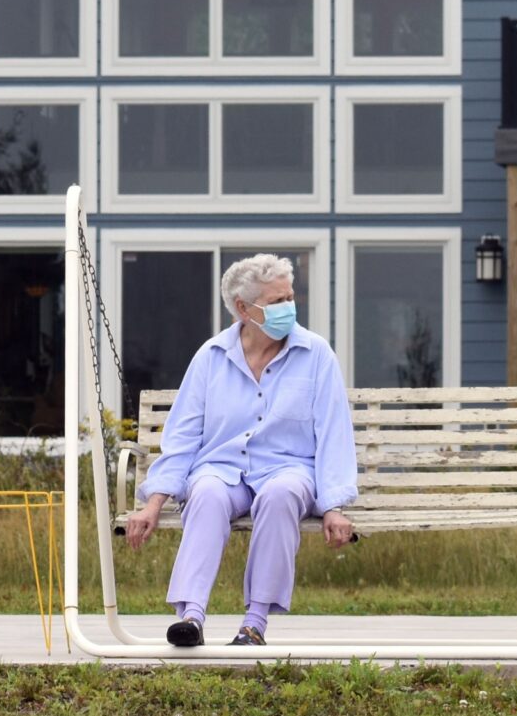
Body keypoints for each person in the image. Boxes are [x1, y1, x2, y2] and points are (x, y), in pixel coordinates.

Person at [123, 253, 358, 647]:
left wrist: (333, 505)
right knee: (208, 492)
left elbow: (334, 433)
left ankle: (254, 623)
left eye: (290, 297)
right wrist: (154, 501)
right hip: (223, 468)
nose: (289, 308)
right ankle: (191, 616)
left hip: (288, 469)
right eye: (277, 301)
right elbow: (182, 438)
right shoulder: (210, 357)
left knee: (281, 494)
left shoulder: (316, 354)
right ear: (243, 309)